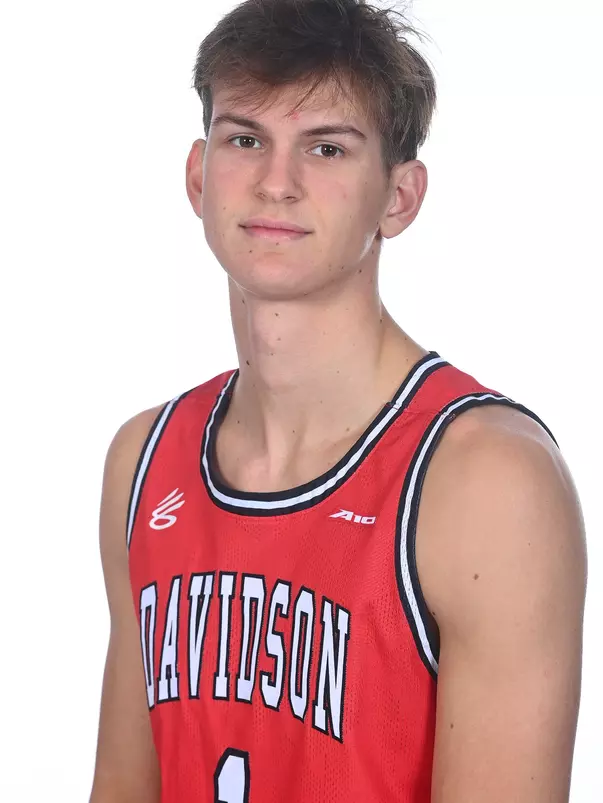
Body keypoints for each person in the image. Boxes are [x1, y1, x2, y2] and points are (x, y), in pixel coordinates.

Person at [89, 1, 587, 801]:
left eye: (325, 147)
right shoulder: (143, 461)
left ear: (399, 197)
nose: (276, 181)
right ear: (197, 174)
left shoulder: (485, 481)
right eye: (244, 138)